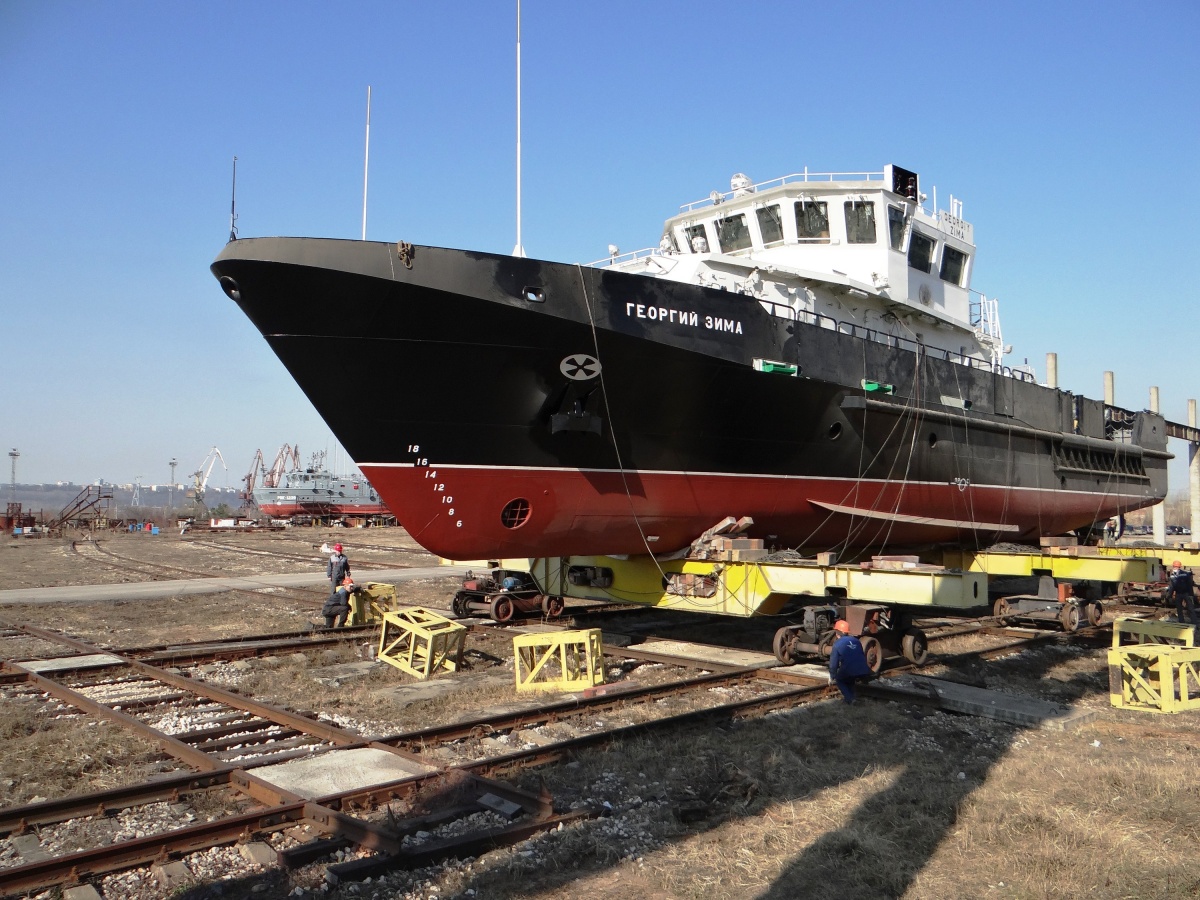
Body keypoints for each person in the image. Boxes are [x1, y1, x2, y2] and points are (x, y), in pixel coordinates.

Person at [828, 620, 873, 704]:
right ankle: (853, 696)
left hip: (850, 669)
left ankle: (850, 699)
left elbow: (833, 663)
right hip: (863, 668)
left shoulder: (837, 644)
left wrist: (832, 675)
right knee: (850, 679)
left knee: (840, 679)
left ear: (837, 634)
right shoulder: (856, 640)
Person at [1164, 560, 1199, 633]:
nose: (1175, 567)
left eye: (1176, 566)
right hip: (1180, 593)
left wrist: (1169, 595)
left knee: (1189, 608)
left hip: (1185, 593)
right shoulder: (1178, 574)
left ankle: (1193, 623)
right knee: (1180, 609)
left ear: (1179, 567)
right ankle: (1185, 623)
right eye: (1174, 566)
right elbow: (1172, 586)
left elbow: (1173, 586)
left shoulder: (1181, 574)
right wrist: (1169, 595)